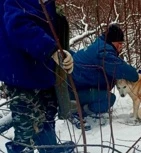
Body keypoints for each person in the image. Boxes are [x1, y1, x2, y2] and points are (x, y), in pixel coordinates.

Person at [0, 0, 75, 152]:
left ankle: (48, 148)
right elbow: (18, 25)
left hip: (43, 68)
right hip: (22, 72)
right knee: (26, 128)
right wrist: (51, 49)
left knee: (48, 116)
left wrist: (63, 54)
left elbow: (49, 25)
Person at [69, 23, 139, 130]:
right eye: (119, 43)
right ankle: (78, 109)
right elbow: (133, 75)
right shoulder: (104, 53)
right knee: (109, 99)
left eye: (122, 43)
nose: (121, 46)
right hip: (74, 92)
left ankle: (78, 103)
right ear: (112, 41)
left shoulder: (100, 44)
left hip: (75, 86)